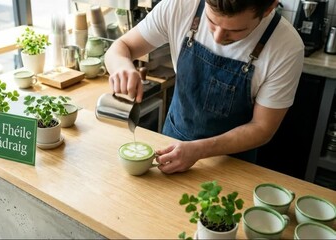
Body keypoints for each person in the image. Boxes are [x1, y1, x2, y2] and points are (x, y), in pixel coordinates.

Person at [104, 0, 304, 174]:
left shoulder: (286, 46)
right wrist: (121, 66)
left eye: (235, 31)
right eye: (211, 21)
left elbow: (262, 128)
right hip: (170, 145)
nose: (218, 37)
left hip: (232, 164)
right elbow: (121, 47)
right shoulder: (180, 6)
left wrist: (199, 150)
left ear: (270, 8)